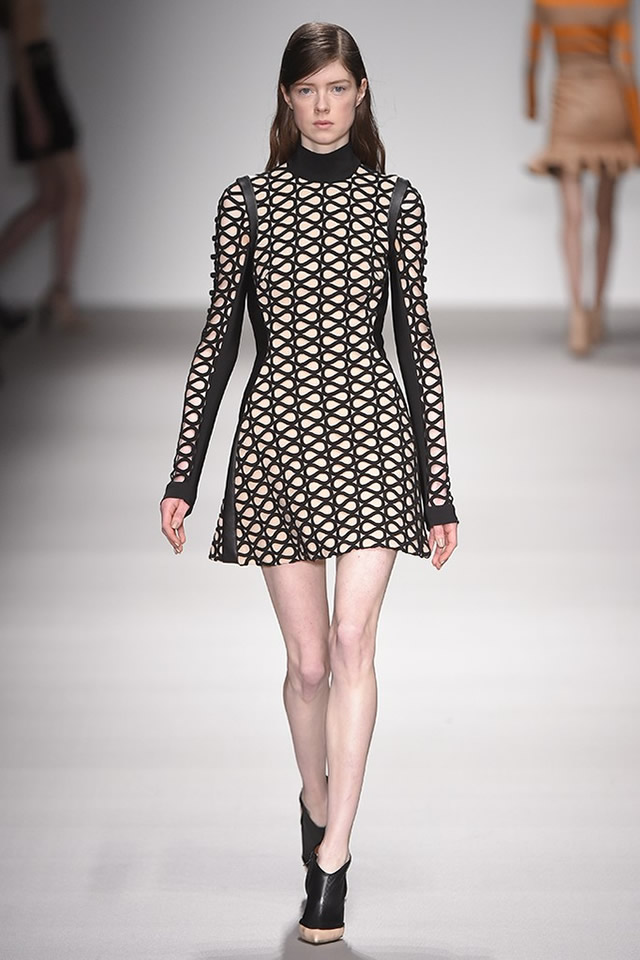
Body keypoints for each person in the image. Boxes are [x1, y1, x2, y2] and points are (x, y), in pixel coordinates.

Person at [160, 21, 459, 946]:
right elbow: (218, 341)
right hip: (278, 440)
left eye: (337, 87)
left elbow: (415, 343)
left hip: (372, 438)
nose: (323, 105)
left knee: (353, 640)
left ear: (360, 93)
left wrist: (439, 488)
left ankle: (333, 858)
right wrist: (183, 474)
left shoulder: (394, 203)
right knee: (308, 665)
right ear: (286, 99)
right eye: (306, 89)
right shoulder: (246, 203)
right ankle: (315, 797)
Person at [526, 0, 640, 356]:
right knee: (604, 215)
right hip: (610, 103)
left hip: (569, 104)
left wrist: (530, 101)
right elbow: (625, 62)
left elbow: (533, 55)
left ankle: (577, 313)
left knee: (572, 217)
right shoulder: (616, 2)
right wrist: (637, 128)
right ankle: (597, 310)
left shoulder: (547, 3)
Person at [0, 0, 87, 332]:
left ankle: (59, 295)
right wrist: (33, 110)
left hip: (42, 80)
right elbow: (20, 49)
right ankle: (60, 295)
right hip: (39, 87)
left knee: (52, 199)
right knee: (73, 191)